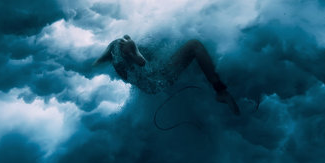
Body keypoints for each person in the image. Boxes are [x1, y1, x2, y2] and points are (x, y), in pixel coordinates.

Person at [93, 35, 240, 115]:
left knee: (126, 46)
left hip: (153, 74)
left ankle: (220, 91)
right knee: (194, 45)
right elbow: (145, 70)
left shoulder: (120, 50)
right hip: (156, 80)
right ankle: (221, 92)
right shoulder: (120, 59)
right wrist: (135, 54)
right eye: (126, 50)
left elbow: (96, 63)